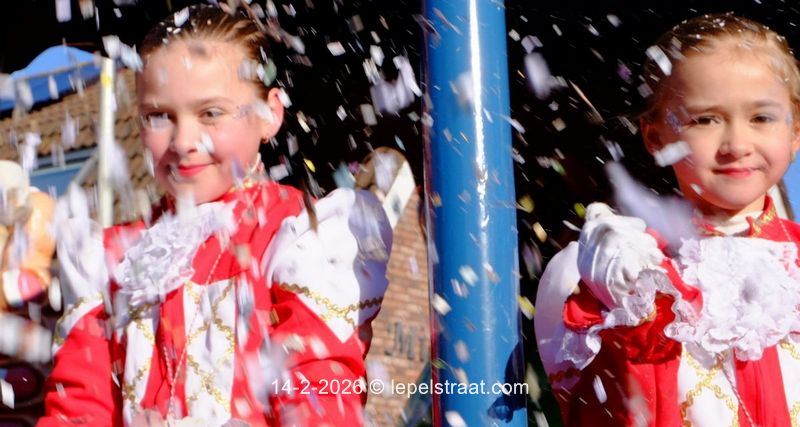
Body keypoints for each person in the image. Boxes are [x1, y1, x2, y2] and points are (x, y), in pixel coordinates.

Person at [38, 4, 392, 426]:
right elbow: (79, 408)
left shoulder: (298, 237)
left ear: (269, 114)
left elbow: (320, 398)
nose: (184, 141)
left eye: (211, 113)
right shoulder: (110, 258)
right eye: (159, 116)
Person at [535, 13, 800, 427]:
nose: (736, 144)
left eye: (761, 118)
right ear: (655, 136)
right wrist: (623, 313)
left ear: (795, 130)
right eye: (705, 119)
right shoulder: (616, 271)